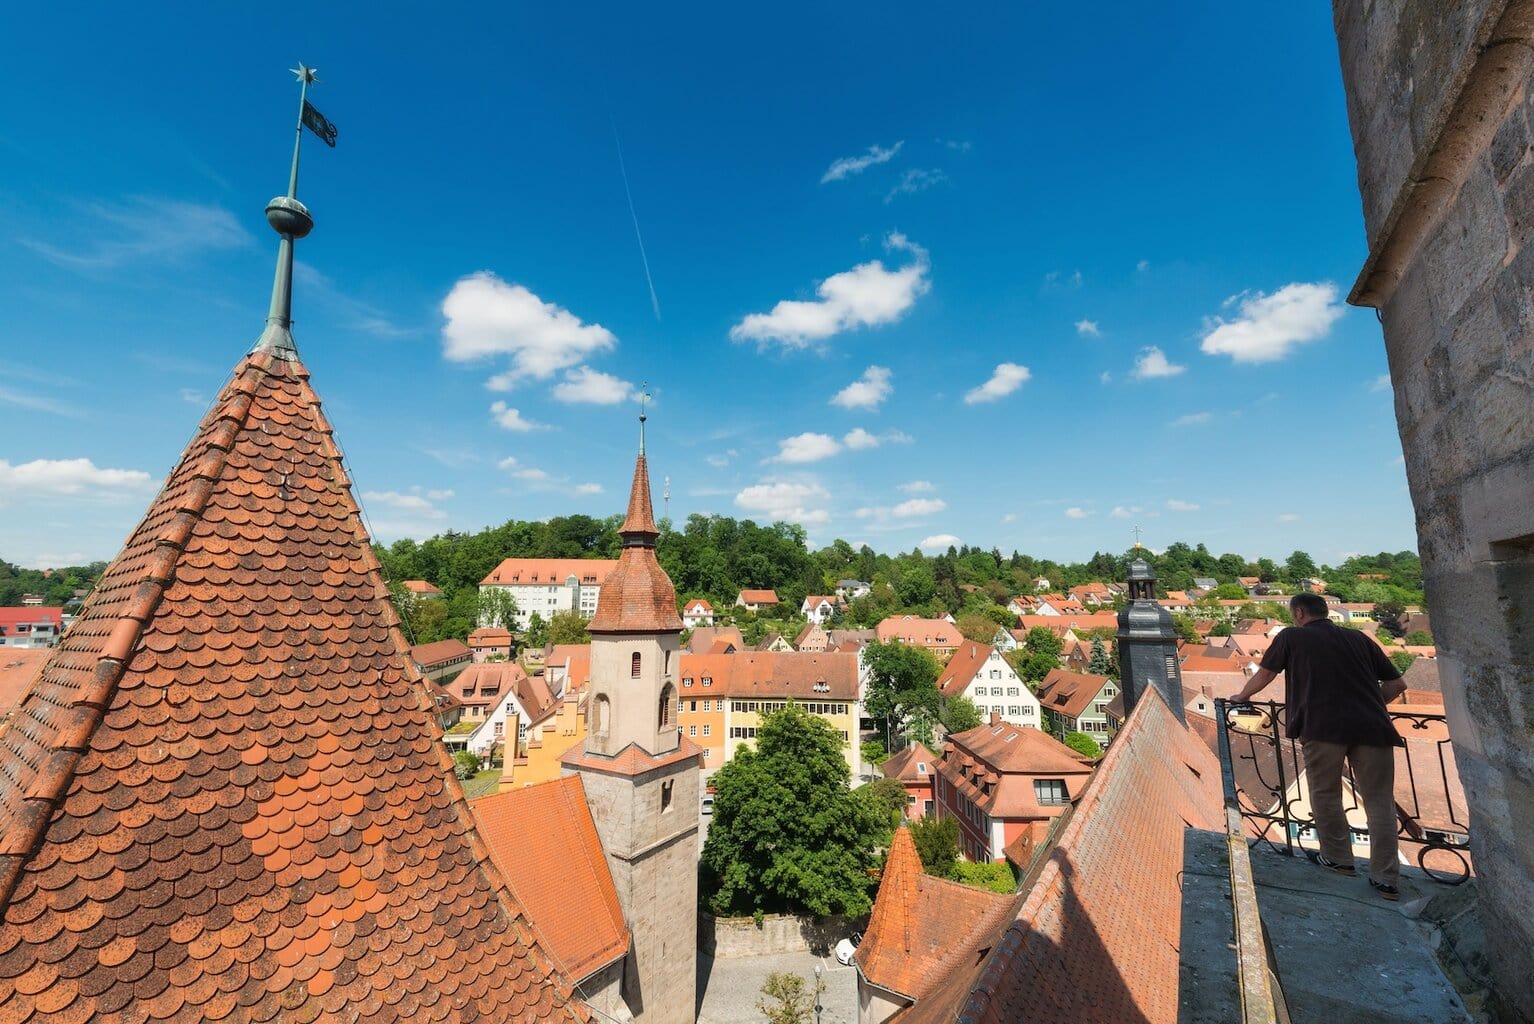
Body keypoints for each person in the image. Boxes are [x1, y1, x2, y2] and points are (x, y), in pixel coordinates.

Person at [1232, 592, 1408, 900]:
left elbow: (1266, 673)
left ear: (1299, 613)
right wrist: (1367, 705)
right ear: (1326, 612)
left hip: (1322, 726)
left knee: (1326, 792)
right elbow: (1396, 685)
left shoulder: (1292, 637)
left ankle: (1339, 859)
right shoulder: (1359, 638)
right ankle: (1386, 879)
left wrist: (1242, 697)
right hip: (1373, 727)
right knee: (1379, 801)